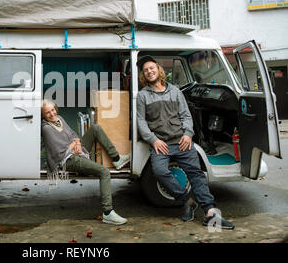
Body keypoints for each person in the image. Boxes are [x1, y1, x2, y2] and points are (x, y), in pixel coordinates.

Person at [136, 55, 234, 230]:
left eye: (152, 68)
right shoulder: (143, 96)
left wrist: (188, 134)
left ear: (158, 70)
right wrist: (154, 140)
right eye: (145, 70)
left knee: (196, 174)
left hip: (181, 141)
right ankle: (187, 200)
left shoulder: (175, 91)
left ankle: (210, 212)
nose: (149, 72)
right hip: (161, 144)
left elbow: (186, 116)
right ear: (144, 75)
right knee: (159, 171)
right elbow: (141, 122)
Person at [41, 99, 130, 225]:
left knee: (95, 128)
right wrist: (73, 145)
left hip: (77, 151)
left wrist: (77, 143)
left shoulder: (59, 118)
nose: (52, 113)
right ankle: (108, 213)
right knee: (104, 172)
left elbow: (72, 134)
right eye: (47, 113)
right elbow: (59, 153)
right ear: (43, 116)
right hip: (68, 160)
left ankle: (116, 159)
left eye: (53, 110)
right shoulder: (46, 128)